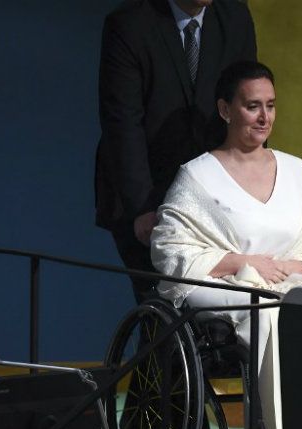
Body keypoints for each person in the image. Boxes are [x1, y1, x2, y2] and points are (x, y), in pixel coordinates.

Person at [151, 61, 302, 429]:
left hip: (286, 285)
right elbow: (170, 248)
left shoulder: (298, 172)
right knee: (264, 311)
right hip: (220, 286)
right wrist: (242, 263)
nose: (265, 116)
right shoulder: (198, 176)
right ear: (225, 110)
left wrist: (287, 269)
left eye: (271, 105)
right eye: (253, 106)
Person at [95, 0, 257, 300]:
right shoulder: (130, 24)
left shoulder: (234, 16)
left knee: (221, 309)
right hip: (148, 192)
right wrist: (142, 208)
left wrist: (252, 192)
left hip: (215, 195)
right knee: (164, 308)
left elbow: (249, 102)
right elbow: (123, 124)